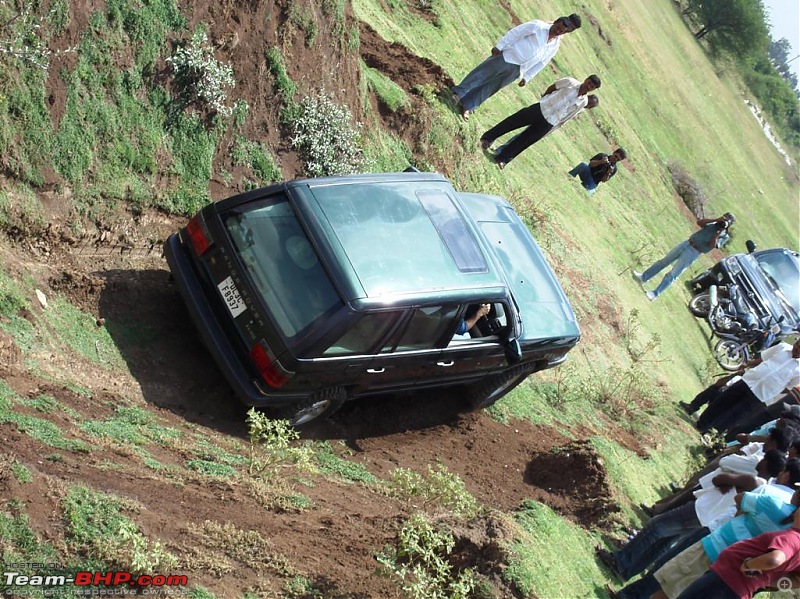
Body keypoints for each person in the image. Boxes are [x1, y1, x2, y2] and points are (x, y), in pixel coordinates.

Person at [450, 14, 582, 120]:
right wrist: (500, 46)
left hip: (519, 70)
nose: (558, 31)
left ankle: (468, 105)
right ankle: (458, 94)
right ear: (555, 22)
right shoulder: (538, 26)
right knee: (481, 75)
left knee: (491, 87)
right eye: (557, 28)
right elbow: (516, 33)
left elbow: (542, 62)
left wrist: (528, 77)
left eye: (561, 31)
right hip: (507, 57)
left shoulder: (556, 45)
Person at [675, 503, 800, 599]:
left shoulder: (792, 538)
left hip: (724, 582)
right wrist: (768, 582)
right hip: (737, 590)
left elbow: (774, 559)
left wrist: (748, 565)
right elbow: (797, 581)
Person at [480, 75, 601, 169]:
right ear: (586, 79)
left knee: (525, 140)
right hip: (542, 108)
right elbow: (553, 87)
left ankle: (502, 158)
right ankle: (488, 138)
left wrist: (557, 124)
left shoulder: (584, 102)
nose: (588, 86)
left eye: (591, 87)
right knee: (512, 122)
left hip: (551, 121)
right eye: (589, 83)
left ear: (593, 89)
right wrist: (544, 100)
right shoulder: (570, 82)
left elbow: (570, 115)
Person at [696, 339, 800, 438]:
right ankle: (702, 423)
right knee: (723, 401)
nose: (797, 349)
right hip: (749, 380)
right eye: (797, 346)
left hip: (761, 395)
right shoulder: (782, 347)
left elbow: (787, 388)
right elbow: (762, 359)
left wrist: (772, 391)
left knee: (734, 415)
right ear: (795, 342)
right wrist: (747, 364)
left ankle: (710, 434)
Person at [631, 212, 735, 301]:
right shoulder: (714, 223)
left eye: (728, 220)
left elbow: (713, 246)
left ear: (730, 224)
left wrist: (717, 233)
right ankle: (643, 277)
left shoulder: (724, 236)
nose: (725, 221)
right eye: (725, 217)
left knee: (673, 274)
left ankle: (655, 293)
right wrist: (717, 220)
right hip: (687, 243)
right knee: (663, 262)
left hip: (694, 252)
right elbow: (699, 223)